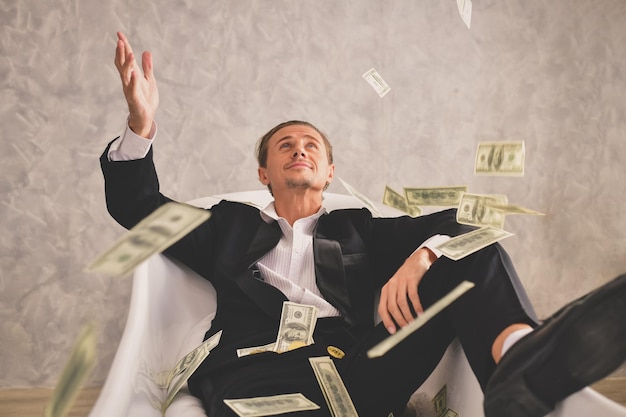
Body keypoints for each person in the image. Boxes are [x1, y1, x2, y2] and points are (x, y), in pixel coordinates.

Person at [101, 32, 626, 417]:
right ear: (264, 172)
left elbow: (470, 224)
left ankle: (520, 362)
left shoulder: (361, 229)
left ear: (330, 172)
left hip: (357, 371)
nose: (299, 150)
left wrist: (426, 254)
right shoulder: (225, 226)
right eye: (285, 145)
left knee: (472, 252)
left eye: (311, 146)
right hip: (255, 376)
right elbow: (138, 207)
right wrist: (140, 129)